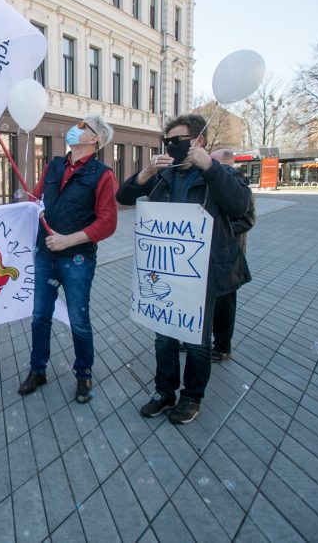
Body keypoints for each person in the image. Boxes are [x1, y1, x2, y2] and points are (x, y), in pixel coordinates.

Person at [117, 115, 251, 424]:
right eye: (168, 142)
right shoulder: (165, 175)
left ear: (198, 141)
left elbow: (241, 206)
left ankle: (192, 397)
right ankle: (164, 392)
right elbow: (123, 197)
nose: (171, 147)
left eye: (177, 141)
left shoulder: (222, 174)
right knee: (164, 336)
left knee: (196, 339)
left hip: (201, 274)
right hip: (164, 272)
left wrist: (210, 167)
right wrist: (147, 171)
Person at [18, 114, 118, 404]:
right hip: (45, 255)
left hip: (77, 259)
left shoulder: (102, 174)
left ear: (94, 138)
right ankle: (38, 370)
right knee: (40, 316)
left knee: (79, 320)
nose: (76, 129)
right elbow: (36, 200)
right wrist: (29, 204)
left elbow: (108, 223)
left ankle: (83, 376)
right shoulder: (54, 165)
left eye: (83, 126)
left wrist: (68, 240)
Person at [208, 149, 256, 362]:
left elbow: (247, 220)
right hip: (206, 254)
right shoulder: (210, 182)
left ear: (227, 164)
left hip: (228, 257)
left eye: (213, 161)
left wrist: (216, 228)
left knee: (224, 306)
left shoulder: (239, 188)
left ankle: (222, 347)